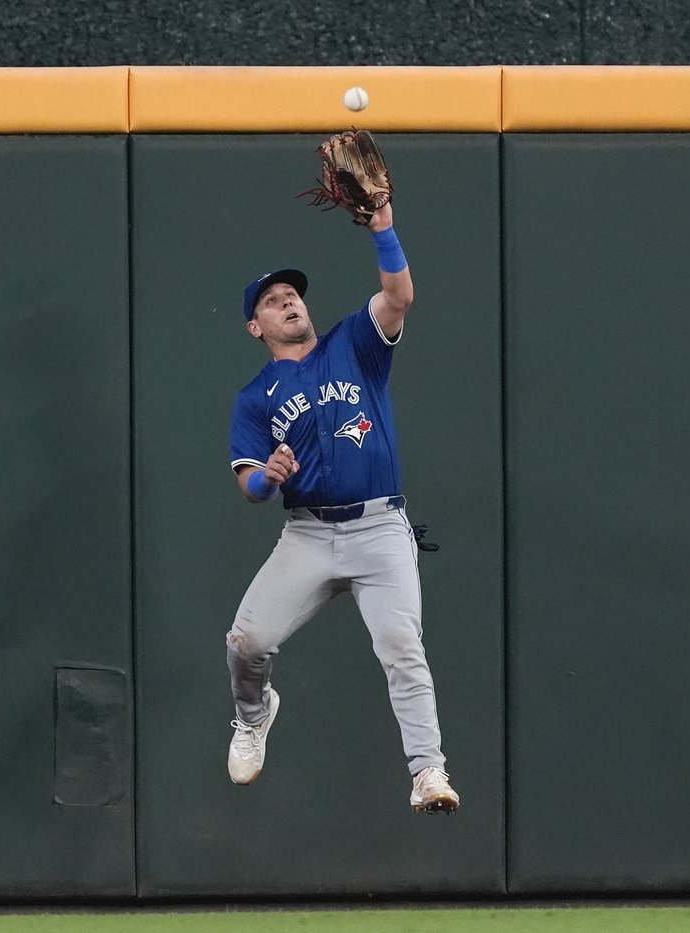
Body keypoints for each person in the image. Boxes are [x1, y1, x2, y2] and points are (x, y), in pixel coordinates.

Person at [224, 202, 459, 814]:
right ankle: (253, 717)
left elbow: (399, 295)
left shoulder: (355, 344)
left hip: (381, 526)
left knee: (401, 644)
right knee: (247, 643)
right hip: (307, 533)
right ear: (256, 327)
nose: (288, 303)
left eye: (292, 295)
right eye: (272, 301)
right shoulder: (254, 399)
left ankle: (428, 772)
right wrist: (264, 480)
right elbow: (247, 480)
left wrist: (382, 223)